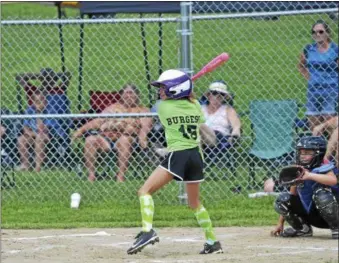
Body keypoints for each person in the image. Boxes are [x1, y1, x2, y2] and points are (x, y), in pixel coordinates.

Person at [127, 69, 223, 255]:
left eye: (164, 88)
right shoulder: (195, 105)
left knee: (144, 191)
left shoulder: (163, 107)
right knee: (195, 203)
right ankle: (212, 242)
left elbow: (168, 106)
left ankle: (147, 231)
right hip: (196, 156)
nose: (161, 92)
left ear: (175, 90)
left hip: (178, 155)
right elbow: (195, 110)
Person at [72, 84, 152, 182]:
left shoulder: (143, 110)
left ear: (137, 96)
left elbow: (145, 127)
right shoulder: (113, 107)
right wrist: (81, 130)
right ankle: (91, 175)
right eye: (126, 93)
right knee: (90, 140)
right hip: (106, 139)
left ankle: (120, 176)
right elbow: (98, 121)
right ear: (122, 95)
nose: (128, 96)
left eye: (131, 93)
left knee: (124, 140)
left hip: (127, 140)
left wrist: (142, 138)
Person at [271, 136, 339, 239]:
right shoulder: (299, 170)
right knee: (282, 199)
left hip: (333, 214)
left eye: (307, 153)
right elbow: (292, 195)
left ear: (318, 153)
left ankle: (337, 228)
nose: (303, 156)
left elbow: (333, 180)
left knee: (321, 194)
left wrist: (310, 176)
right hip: (313, 215)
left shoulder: (324, 166)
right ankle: (302, 229)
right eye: (301, 152)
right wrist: (280, 223)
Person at [297, 20, 338, 131]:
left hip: (331, 90)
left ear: (328, 33)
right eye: (314, 32)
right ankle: (316, 147)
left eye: (320, 31)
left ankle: (333, 147)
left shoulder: (335, 50)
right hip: (313, 91)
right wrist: (310, 78)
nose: (317, 35)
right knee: (313, 125)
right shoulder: (308, 49)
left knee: (329, 124)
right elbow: (301, 66)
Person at [201, 80, 241, 162]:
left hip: (217, 138)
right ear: (208, 95)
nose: (217, 97)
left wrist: (235, 135)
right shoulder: (201, 108)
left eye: (221, 94)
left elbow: (236, 125)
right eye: (214, 93)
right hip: (199, 137)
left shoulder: (228, 110)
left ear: (224, 97)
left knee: (199, 125)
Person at [17, 90, 50, 172]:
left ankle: (38, 167)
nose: (38, 104)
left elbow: (43, 130)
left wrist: (39, 114)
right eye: (36, 102)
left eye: (41, 101)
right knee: (21, 139)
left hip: (46, 135)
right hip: (33, 135)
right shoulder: (29, 111)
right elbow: (25, 129)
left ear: (45, 102)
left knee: (39, 137)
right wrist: (34, 134)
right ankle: (25, 165)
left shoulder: (49, 111)